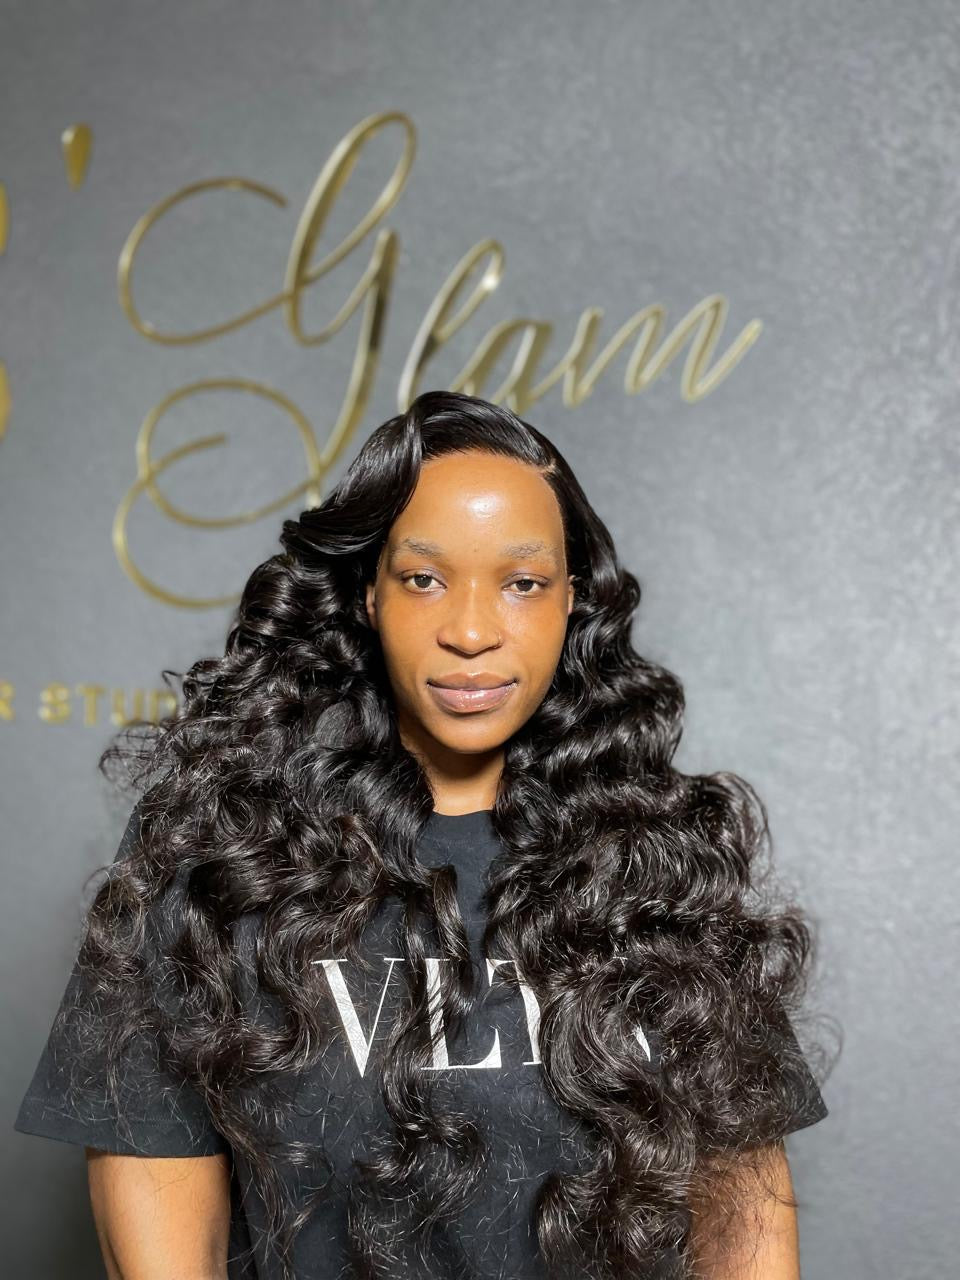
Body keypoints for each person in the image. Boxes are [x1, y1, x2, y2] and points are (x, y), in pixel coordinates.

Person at [14, 390, 832, 1280]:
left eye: (522, 584)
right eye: (424, 579)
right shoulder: (219, 854)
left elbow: (745, 1223)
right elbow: (161, 1221)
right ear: (369, 595)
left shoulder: (662, 859)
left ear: (571, 602)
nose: (471, 632)